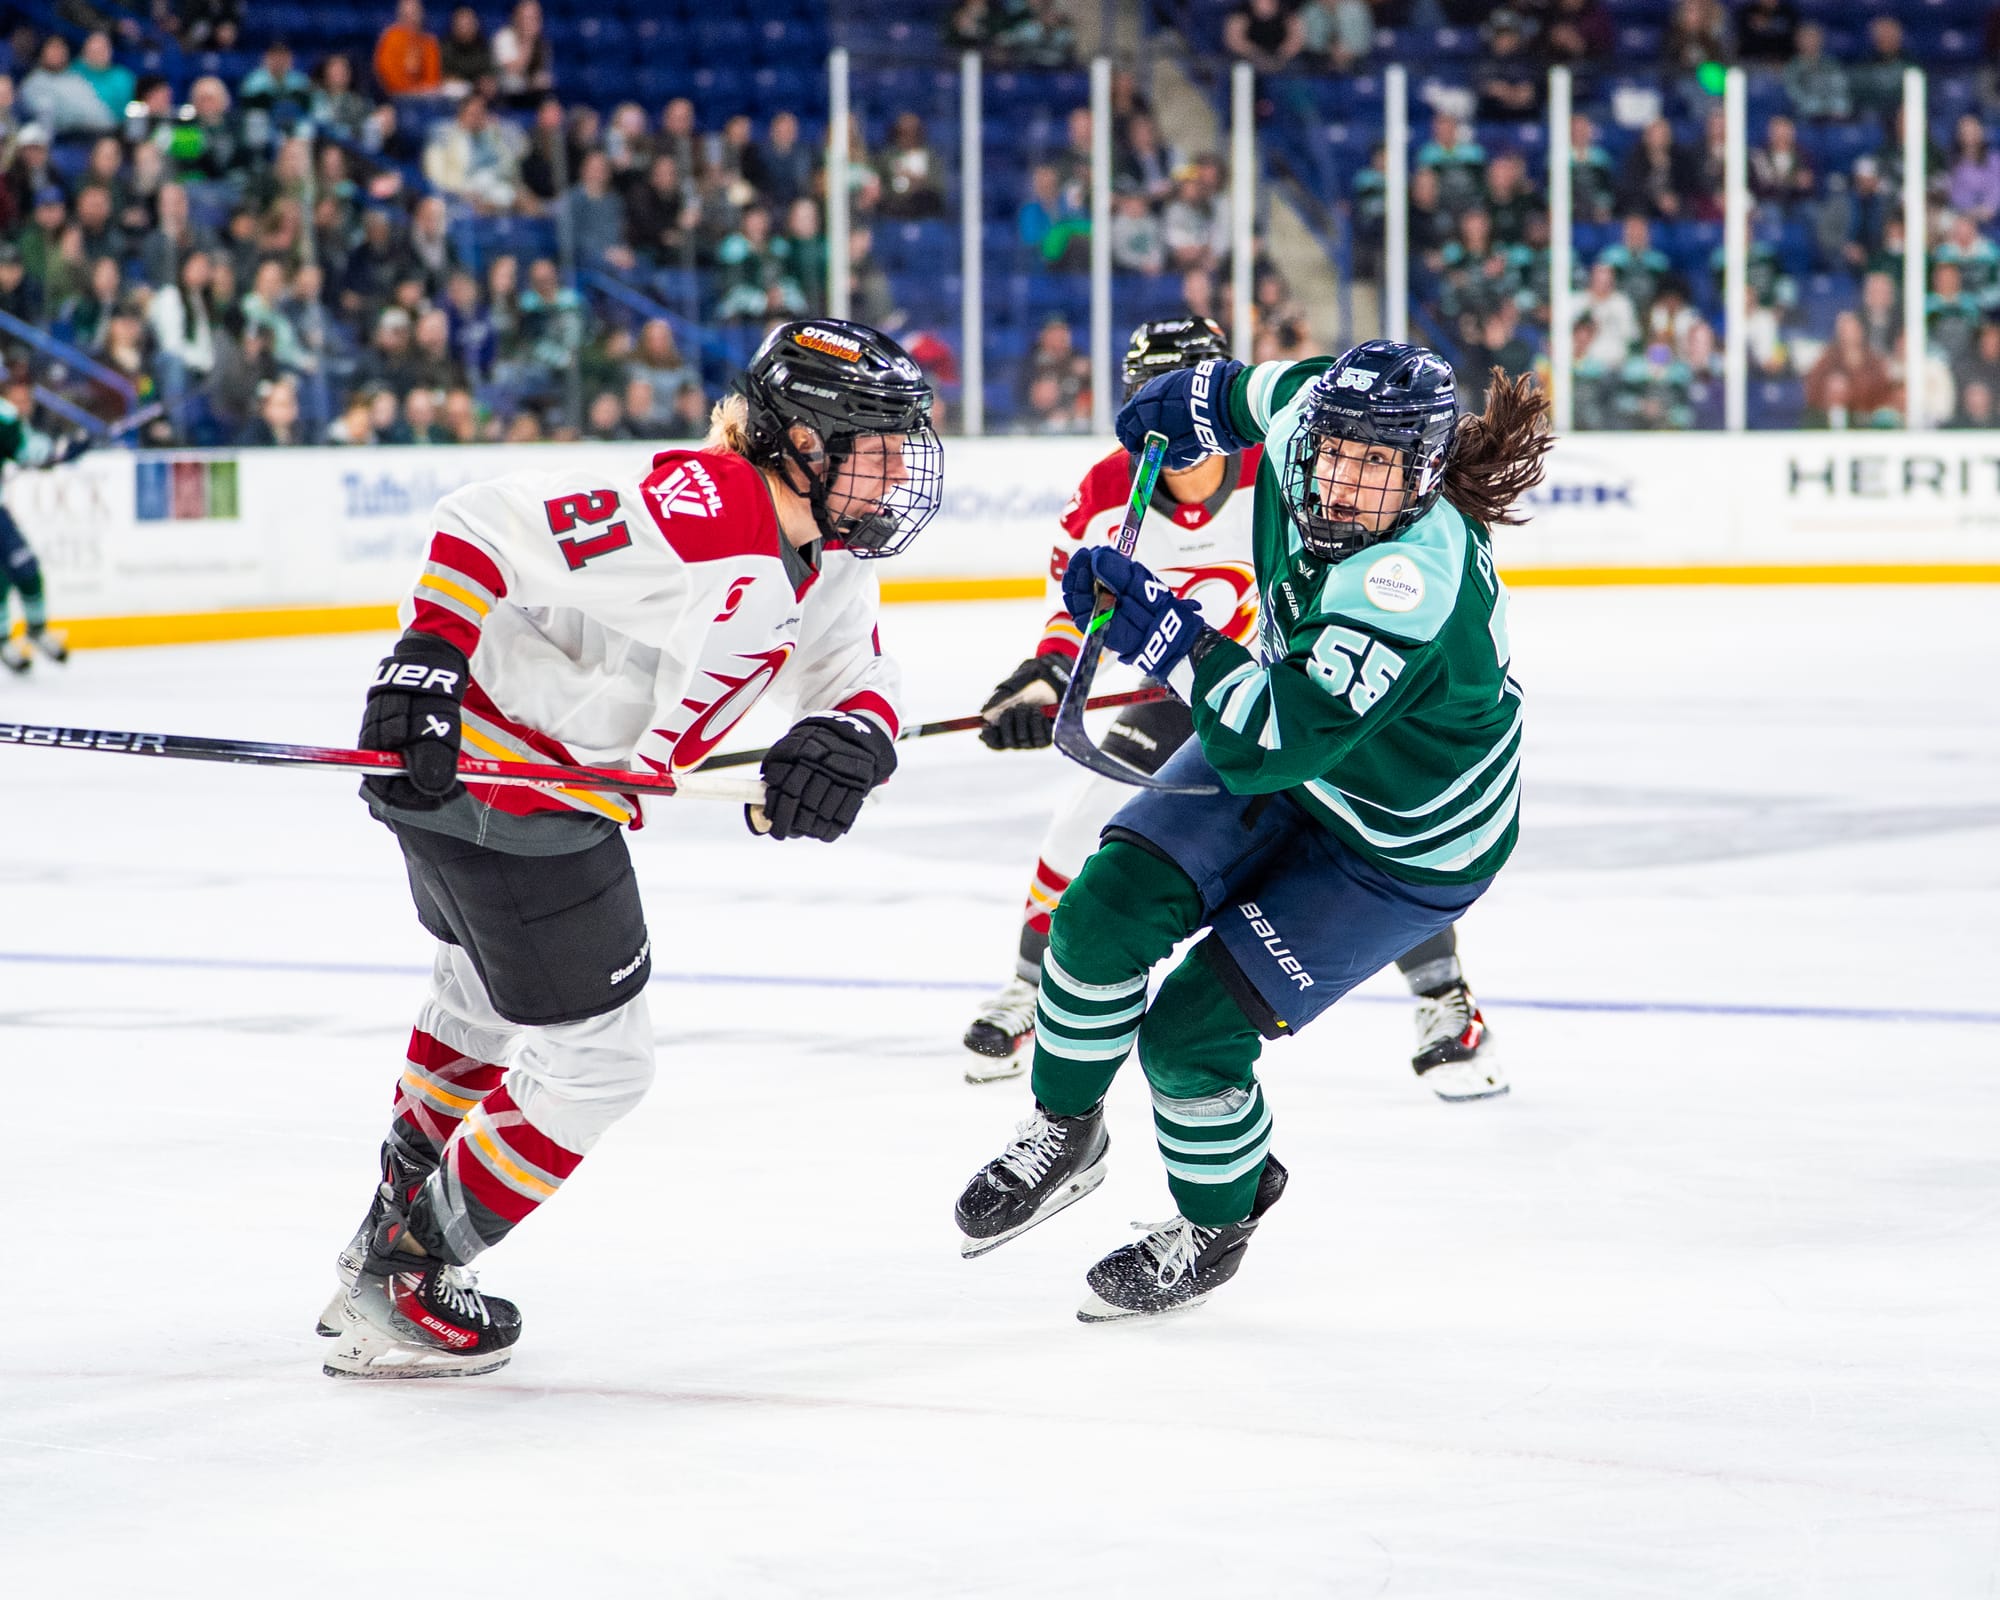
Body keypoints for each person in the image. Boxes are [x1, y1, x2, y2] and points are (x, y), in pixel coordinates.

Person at [318, 320, 944, 1378]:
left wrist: (854, 737)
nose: (894, 472)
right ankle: (407, 1268)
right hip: (506, 791)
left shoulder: (821, 555)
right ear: (797, 440)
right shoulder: (705, 509)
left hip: (507, 794)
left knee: (475, 996)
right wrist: (426, 654)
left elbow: (854, 674)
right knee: (601, 1064)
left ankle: (386, 1242)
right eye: (872, 445)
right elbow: (483, 521)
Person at [954, 340, 1550, 1320]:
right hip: (1294, 752)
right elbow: (1236, 390)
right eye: (1334, 453)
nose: (1344, 482)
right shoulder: (1303, 415)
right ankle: (1064, 1129)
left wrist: (1163, 633)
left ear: (1426, 474)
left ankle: (1214, 1226)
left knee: (1191, 1038)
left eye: (1378, 467)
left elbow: (1271, 739)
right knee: (1097, 913)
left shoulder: (1405, 582)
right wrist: (1181, 399)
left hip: (1397, 846)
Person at [965, 317, 1506, 1105]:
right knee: (1087, 822)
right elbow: (1086, 601)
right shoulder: (1112, 487)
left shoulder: (1292, 461)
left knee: (1366, 815)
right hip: (1181, 686)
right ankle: (1028, 988)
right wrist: (1047, 675)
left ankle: (1443, 998)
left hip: (1282, 685)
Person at [0, 370, 87, 673]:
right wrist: (66, 450)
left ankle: (34, 631)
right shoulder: (5, 417)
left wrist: (62, 451)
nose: (23, 404)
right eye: (18, 398)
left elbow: (30, 451)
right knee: (9, 573)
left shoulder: (10, 421)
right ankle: (6, 640)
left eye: (28, 398)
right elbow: (34, 454)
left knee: (24, 568)